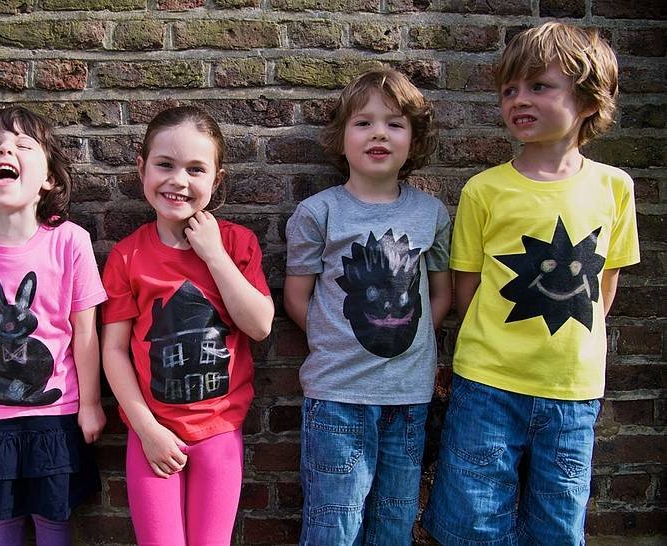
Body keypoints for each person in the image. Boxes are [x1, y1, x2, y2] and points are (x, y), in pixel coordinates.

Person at [422, 22, 640, 546]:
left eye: (539, 86)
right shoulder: (484, 190)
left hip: (572, 388)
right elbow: (469, 288)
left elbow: (604, 287)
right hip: (488, 383)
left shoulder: (614, 187)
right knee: (472, 520)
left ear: (588, 99)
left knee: (558, 522)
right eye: (509, 90)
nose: (518, 99)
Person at [284, 67, 451, 546]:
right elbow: (297, 297)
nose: (379, 133)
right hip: (337, 397)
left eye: (395, 124)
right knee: (334, 526)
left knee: (393, 525)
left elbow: (440, 294)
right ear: (342, 138)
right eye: (363, 123)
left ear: (413, 140)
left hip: (408, 399)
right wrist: (340, 339)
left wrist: (406, 338)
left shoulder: (430, 214)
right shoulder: (319, 213)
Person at [100, 106, 274, 546]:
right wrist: (147, 430)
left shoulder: (236, 243)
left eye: (196, 169)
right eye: (165, 165)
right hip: (153, 433)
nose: (178, 180)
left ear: (216, 180)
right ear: (142, 168)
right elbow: (114, 350)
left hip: (219, 431)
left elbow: (259, 326)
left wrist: (213, 254)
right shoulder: (127, 256)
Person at [0, 106, 106, 546]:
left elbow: (86, 332)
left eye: (22, 145)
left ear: (48, 178)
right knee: (2, 516)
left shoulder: (70, 242)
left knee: (54, 515)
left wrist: (90, 403)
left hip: (57, 413)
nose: (5, 150)